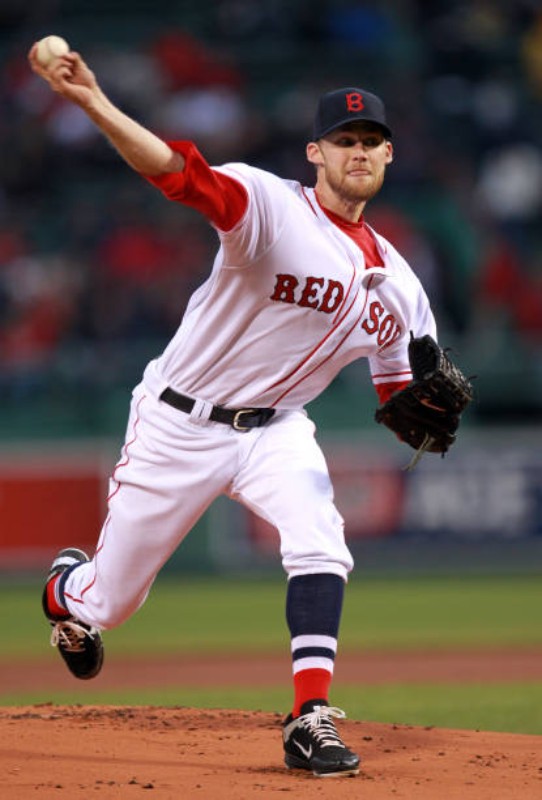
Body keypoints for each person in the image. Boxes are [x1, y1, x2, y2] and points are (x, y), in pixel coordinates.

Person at [29, 41, 436, 779]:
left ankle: (309, 719)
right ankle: (67, 590)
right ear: (315, 153)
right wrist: (93, 101)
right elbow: (175, 173)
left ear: (388, 154)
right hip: (179, 423)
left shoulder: (402, 286)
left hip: (278, 429)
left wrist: (422, 413)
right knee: (110, 605)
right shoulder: (269, 207)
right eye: (343, 139)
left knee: (321, 541)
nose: (358, 151)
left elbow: (401, 390)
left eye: (370, 140)